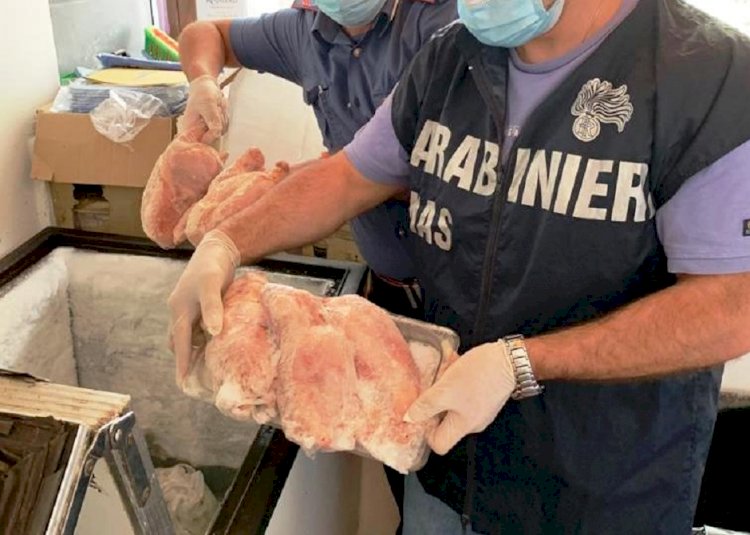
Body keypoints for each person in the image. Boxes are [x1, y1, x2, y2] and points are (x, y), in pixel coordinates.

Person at [168, 0, 750, 532]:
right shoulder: (451, 57)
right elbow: (347, 177)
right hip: (449, 459)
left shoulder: (709, 78)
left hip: (598, 491)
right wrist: (225, 244)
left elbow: (733, 305)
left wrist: (521, 363)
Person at [177, 1, 456, 529]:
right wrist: (204, 83)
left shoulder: (438, 25)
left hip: (462, 295)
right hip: (390, 292)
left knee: (459, 478)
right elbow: (204, 32)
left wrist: (306, 185)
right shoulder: (305, 32)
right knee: (399, 451)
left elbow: (395, 173)